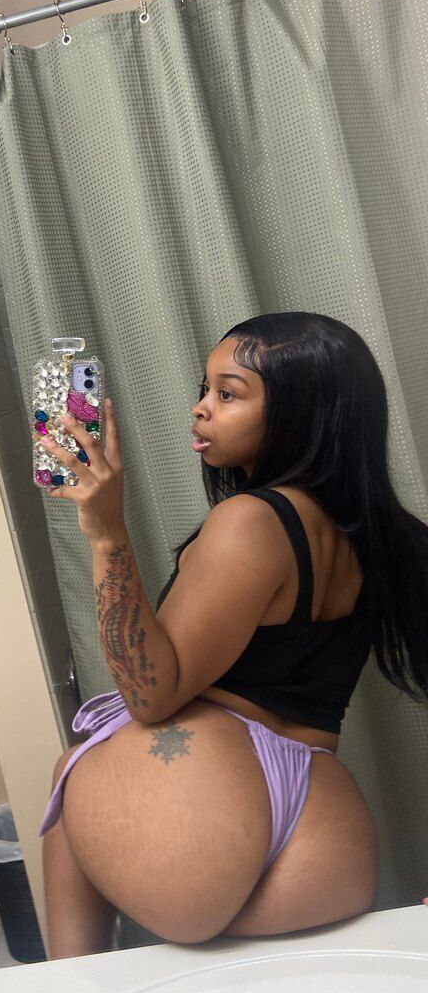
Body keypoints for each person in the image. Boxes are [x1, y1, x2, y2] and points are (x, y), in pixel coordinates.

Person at [37, 311, 428, 957]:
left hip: (209, 808)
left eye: (228, 393)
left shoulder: (251, 520)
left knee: (74, 774)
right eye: (204, 389)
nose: (200, 409)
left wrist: (106, 533)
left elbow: (150, 695)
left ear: (301, 413)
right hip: (324, 831)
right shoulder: (383, 535)